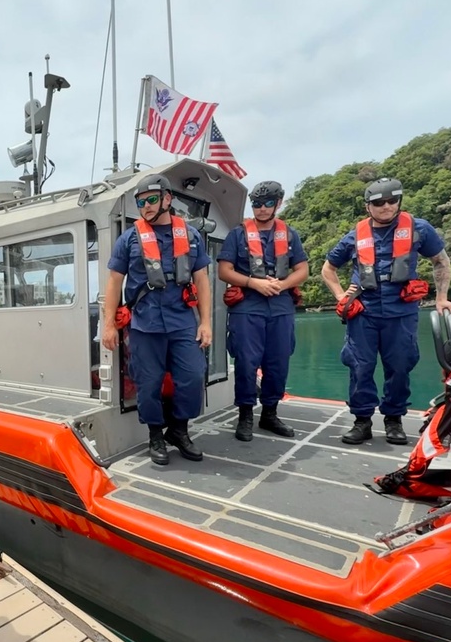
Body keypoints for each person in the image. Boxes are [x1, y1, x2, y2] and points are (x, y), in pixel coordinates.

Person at [321, 177, 451, 445]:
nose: (386, 206)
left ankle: (394, 419)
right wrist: (340, 296)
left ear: (399, 201)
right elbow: (328, 269)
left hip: (402, 312)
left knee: (400, 366)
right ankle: (362, 421)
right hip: (363, 313)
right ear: (367, 207)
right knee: (360, 367)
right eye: (378, 202)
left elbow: (440, 261)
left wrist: (441, 297)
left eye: (392, 201)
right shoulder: (354, 236)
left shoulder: (419, 229)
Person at [101, 173, 212, 465]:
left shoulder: (190, 235)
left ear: (167, 199)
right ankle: (155, 435)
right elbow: (114, 282)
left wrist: (206, 322)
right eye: (140, 202)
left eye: (151, 199)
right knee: (147, 383)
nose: (145, 206)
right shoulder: (129, 239)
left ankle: (179, 430)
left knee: (191, 376)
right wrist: (109, 324)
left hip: (183, 321)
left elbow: (202, 279)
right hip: (145, 323)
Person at [217, 181, 309, 441]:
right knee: (246, 362)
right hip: (247, 307)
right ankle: (245, 414)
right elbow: (225, 270)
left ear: (278, 204)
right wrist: (253, 282)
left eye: (268, 203)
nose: (261, 209)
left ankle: (270, 413)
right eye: (256, 204)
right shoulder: (237, 235)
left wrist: (282, 285)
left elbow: (302, 270)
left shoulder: (290, 235)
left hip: (280, 308)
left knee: (278, 362)